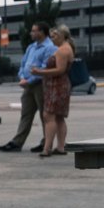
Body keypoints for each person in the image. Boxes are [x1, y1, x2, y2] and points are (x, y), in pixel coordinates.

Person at [0, 22, 55, 152]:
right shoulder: (31, 47)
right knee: (26, 114)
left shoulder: (50, 48)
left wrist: (30, 80)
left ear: (42, 32)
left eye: (34, 31)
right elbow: (23, 64)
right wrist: (22, 77)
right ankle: (17, 142)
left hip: (40, 84)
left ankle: (46, 143)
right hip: (27, 84)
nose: (31, 33)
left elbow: (46, 67)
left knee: (45, 115)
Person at [33, 24, 75, 157]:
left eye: (55, 35)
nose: (52, 38)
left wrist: (40, 72)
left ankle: (47, 148)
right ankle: (60, 147)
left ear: (63, 35)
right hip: (59, 85)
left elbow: (60, 70)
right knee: (59, 117)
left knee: (48, 116)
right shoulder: (65, 48)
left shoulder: (63, 50)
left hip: (57, 86)